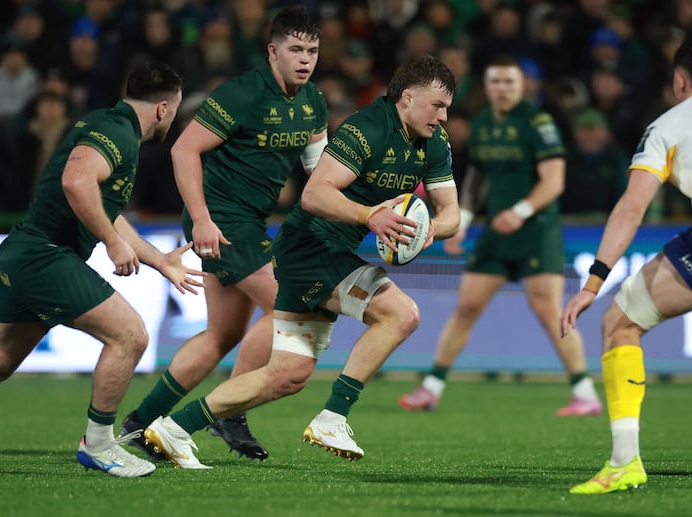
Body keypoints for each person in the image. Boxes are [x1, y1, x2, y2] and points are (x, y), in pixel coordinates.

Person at [138, 54, 460, 469]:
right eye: (438, 105)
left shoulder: (434, 142)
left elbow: (451, 211)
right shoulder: (366, 130)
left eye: (448, 107)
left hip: (325, 252)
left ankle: (173, 427)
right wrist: (369, 215)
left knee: (286, 375)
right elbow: (314, 195)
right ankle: (334, 416)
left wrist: (429, 228)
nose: (445, 115)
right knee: (401, 314)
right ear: (408, 97)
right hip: (312, 246)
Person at [0, 61, 203, 477]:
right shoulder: (119, 134)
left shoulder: (107, 124)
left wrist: (159, 259)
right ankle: (99, 445)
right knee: (129, 335)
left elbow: (104, 208)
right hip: (45, 256)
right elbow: (76, 183)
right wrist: (111, 245)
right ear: (164, 108)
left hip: (25, 254)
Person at [119, 5, 327, 462]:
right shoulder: (242, 93)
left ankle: (138, 424)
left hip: (251, 221)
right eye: (295, 49)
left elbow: (319, 172)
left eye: (312, 49)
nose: (305, 59)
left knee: (222, 335)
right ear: (273, 51)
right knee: (292, 307)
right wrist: (201, 219)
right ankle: (228, 411)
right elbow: (183, 150)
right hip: (223, 218)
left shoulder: (313, 102)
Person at [399, 55, 601, 416]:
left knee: (547, 309)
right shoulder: (482, 124)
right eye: (495, 82)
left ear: (523, 86)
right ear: (486, 86)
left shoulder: (538, 123)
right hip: (497, 231)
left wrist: (521, 211)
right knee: (467, 307)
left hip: (537, 230)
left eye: (509, 82)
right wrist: (463, 222)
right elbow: (478, 179)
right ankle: (431, 387)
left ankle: (585, 393)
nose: (502, 89)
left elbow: (554, 182)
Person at [559, 37, 692, 495]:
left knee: (620, 322)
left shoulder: (669, 126)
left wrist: (592, 283)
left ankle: (624, 462)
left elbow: (633, 206)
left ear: (679, 80)